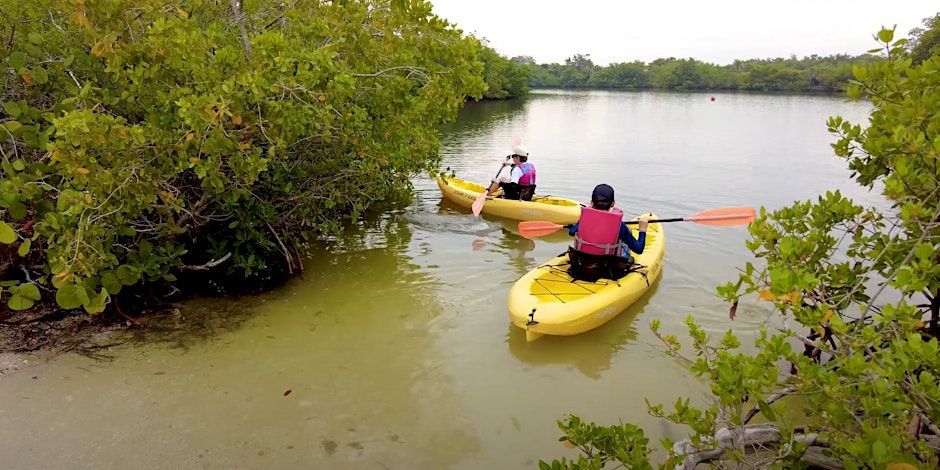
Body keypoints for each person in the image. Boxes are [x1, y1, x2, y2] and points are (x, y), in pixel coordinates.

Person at [566, 184, 649, 282]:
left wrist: (575, 226)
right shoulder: (619, 225)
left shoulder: (584, 219)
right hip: (608, 266)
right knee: (627, 234)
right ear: (613, 203)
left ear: (591, 202)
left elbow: (571, 232)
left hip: (583, 261)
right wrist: (642, 229)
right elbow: (639, 249)